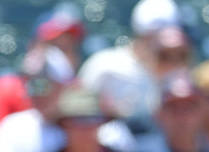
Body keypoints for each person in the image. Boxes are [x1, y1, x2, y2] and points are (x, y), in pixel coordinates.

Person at [77, 0, 193, 135]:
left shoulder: (178, 74)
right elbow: (78, 114)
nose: (158, 44)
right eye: (153, 37)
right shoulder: (105, 66)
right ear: (140, 35)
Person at [0, 4, 85, 136]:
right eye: (53, 46)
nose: (58, 55)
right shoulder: (6, 89)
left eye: (66, 48)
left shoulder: (83, 92)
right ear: (32, 46)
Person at [22, 86, 143, 152]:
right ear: (63, 125)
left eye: (92, 119)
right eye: (77, 120)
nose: (85, 127)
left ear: (102, 123)